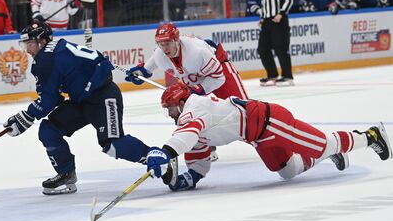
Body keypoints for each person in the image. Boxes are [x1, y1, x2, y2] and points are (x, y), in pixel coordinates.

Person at [145, 82, 392, 191]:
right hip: (257, 137)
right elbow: (198, 162)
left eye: (170, 108)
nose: (169, 114)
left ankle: (370, 136)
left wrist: (165, 153)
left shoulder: (195, 108)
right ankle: (329, 154)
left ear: (180, 102)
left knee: (322, 145)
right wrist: (183, 181)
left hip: (271, 121)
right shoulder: (191, 122)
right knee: (287, 170)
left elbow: (185, 135)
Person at [3, 22, 150, 195]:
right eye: (25, 45)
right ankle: (66, 174)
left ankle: (155, 156)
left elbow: (48, 101)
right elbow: (55, 96)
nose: (27, 50)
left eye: (30, 44)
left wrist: (26, 116)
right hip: (81, 100)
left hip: (103, 96)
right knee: (49, 130)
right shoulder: (56, 48)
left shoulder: (45, 60)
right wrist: (28, 116)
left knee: (112, 144)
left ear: (42, 41)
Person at [125, 22, 248, 101]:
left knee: (244, 110)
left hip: (219, 69)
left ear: (176, 40)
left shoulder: (197, 53)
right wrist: (140, 73)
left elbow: (218, 78)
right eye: (160, 44)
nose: (164, 48)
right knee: (190, 117)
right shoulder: (160, 54)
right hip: (194, 78)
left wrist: (200, 89)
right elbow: (148, 67)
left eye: (167, 43)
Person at [257, 0, 294, 87]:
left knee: (281, 48)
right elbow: (265, 5)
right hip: (267, 21)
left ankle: (288, 77)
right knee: (262, 49)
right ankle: (272, 75)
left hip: (279, 20)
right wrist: (263, 17)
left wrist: (281, 13)